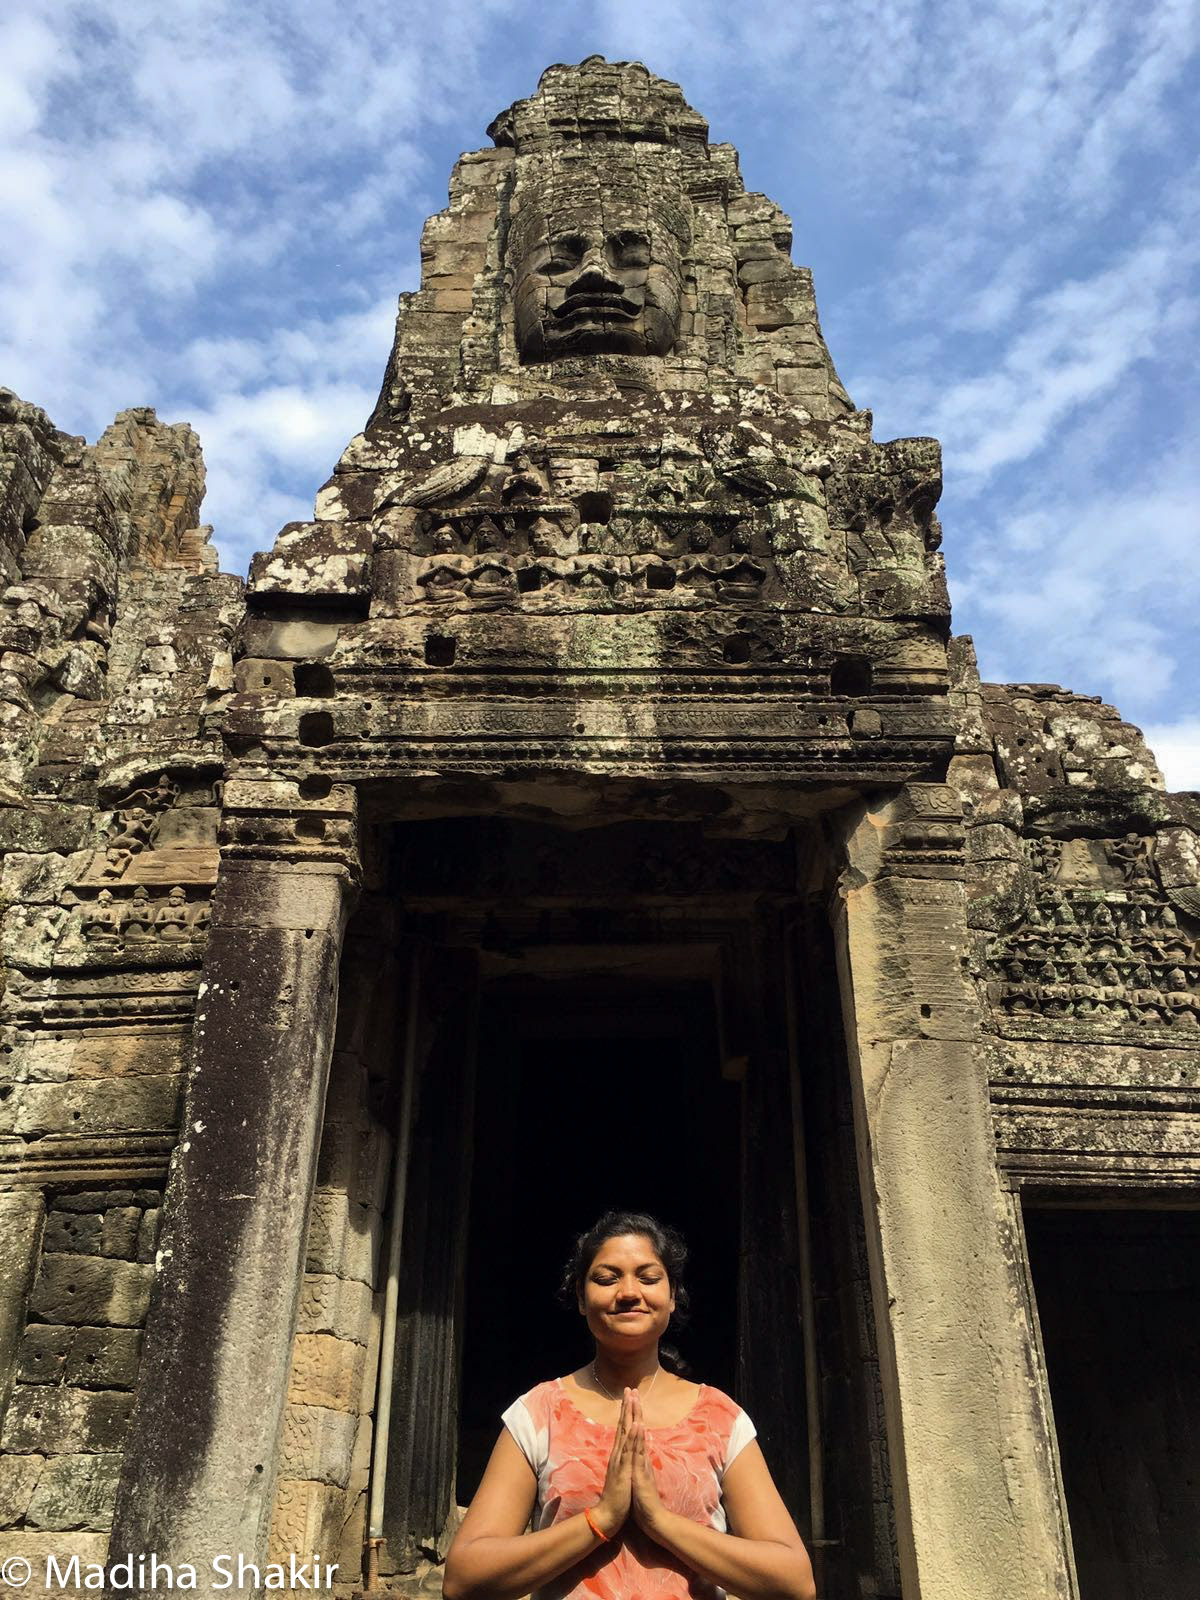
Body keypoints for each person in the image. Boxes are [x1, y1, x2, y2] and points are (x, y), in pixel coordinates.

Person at [443, 1210, 815, 1600]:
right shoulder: (540, 1413)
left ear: (672, 1296)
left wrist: (660, 1522)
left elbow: (794, 1582)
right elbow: (464, 1578)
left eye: (649, 1278)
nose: (628, 1292)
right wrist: (601, 1519)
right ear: (581, 1299)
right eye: (606, 1279)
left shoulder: (719, 1418)